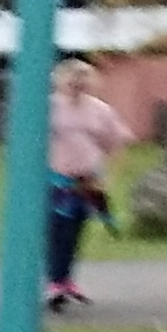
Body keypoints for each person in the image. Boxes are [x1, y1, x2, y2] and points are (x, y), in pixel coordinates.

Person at [45, 59, 128, 313]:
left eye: (83, 79)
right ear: (60, 81)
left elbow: (117, 143)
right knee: (56, 229)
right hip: (56, 180)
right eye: (72, 79)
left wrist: (108, 177)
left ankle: (65, 279)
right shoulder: (48, 108)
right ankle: (55, 282)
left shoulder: (100, 110)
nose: (77, 84)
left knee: (74, 231)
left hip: (87, 181)